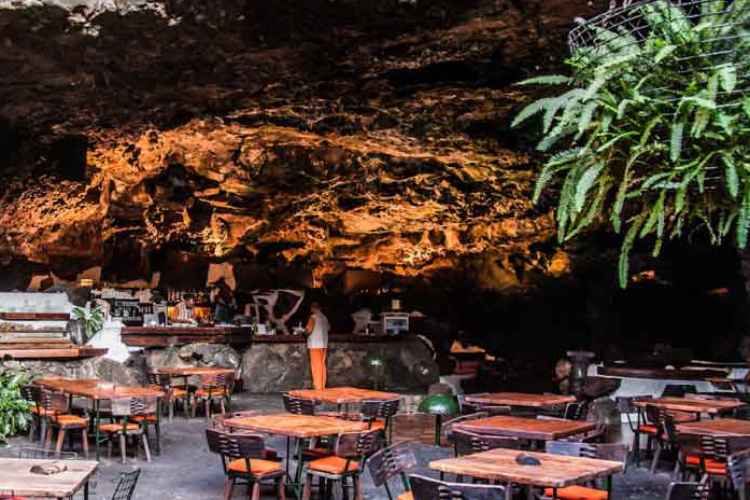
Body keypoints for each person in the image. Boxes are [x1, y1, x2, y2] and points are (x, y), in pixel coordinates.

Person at [305, 302, 330, 390]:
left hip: (315, 344)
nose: (311, 310)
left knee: (316, 366)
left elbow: (308, 330)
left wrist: (303, 332)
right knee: (322, 365)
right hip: (324, 345)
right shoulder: (325, 318)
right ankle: (322, 385)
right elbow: (328, 328)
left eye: (311, 308)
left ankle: (317, 386)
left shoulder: (313, 317)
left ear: (314, 308)